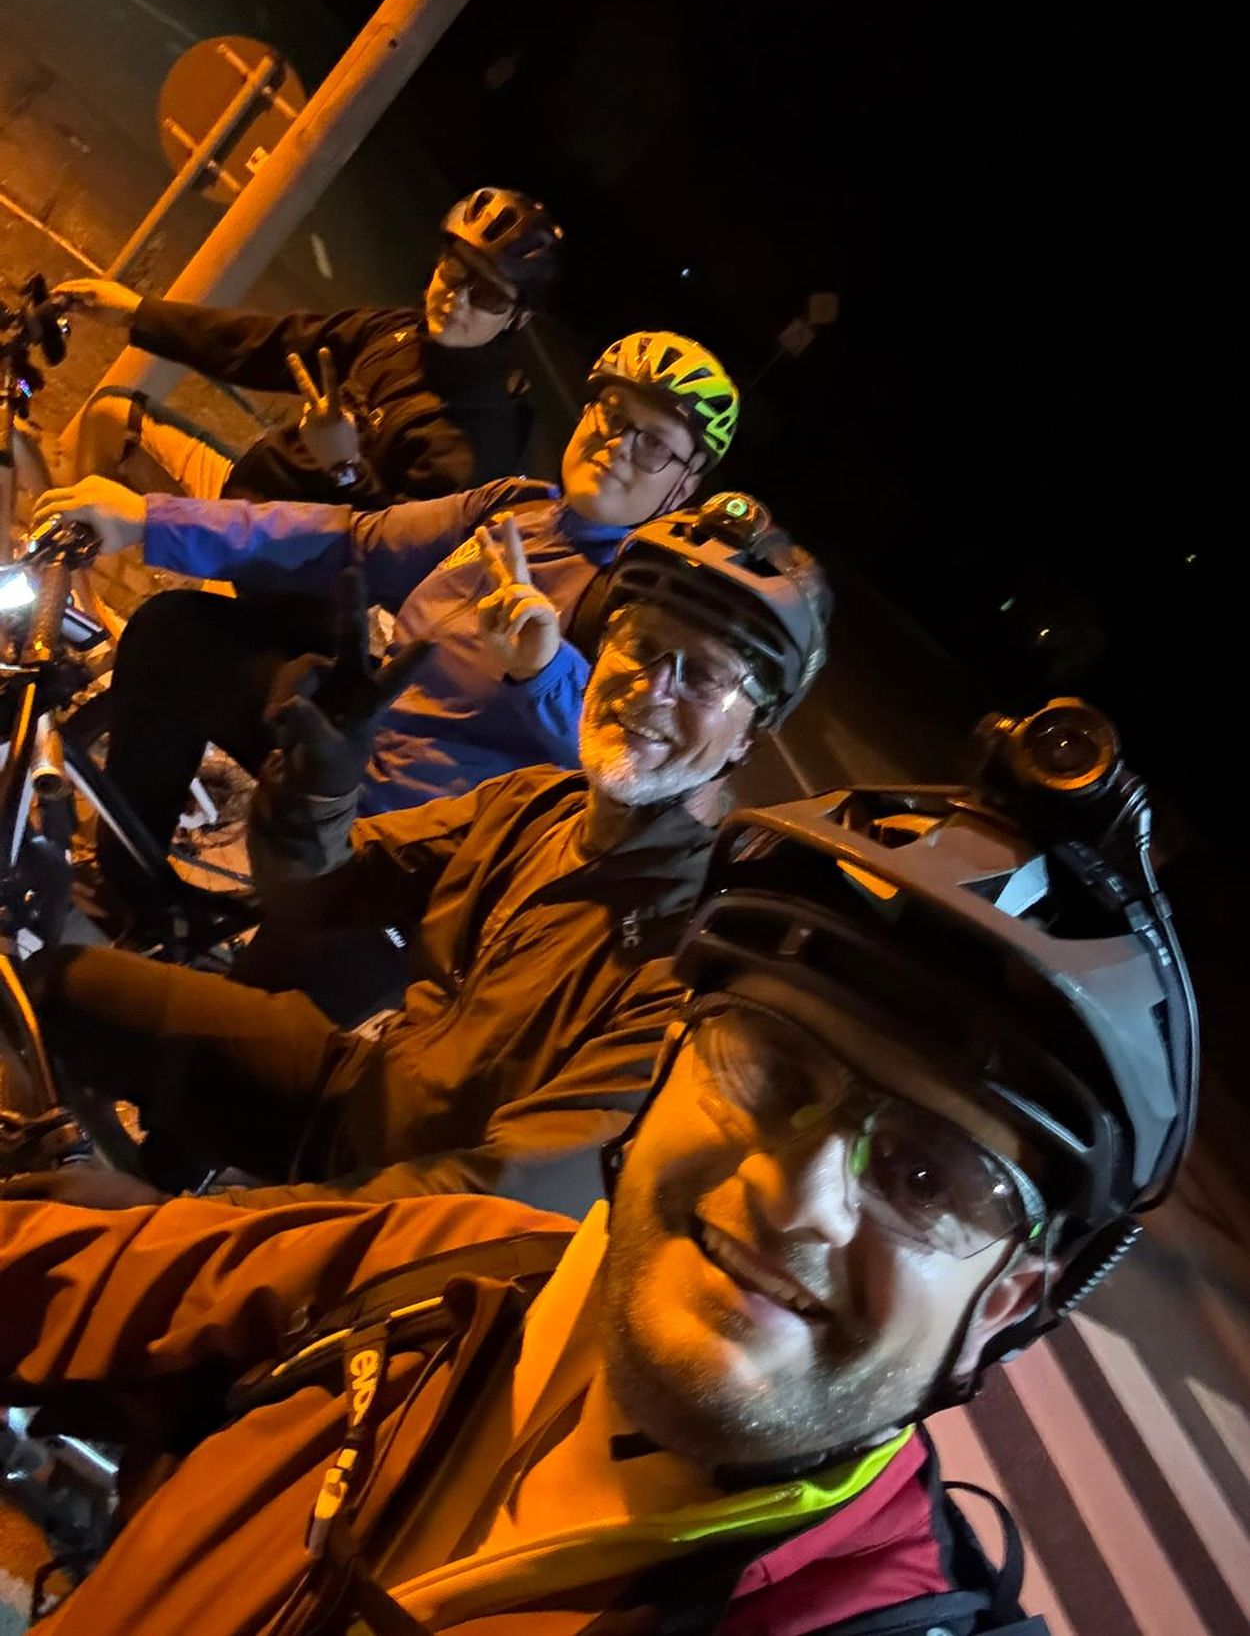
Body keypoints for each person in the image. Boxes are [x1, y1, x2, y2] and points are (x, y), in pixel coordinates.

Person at [0, 700, 1196, 1635]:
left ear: (1007, 1301)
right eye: (766, 1071)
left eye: (926, 1181)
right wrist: (321, 771)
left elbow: (513, 1160)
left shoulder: (848, 1612)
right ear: (669, 1078)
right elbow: (71, 1267)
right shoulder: (452, 1271)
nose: (797, 1195)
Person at [16, 492, 829, 1211]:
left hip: (417, 1232)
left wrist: (178, 1228)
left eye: (703, 677)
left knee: (144, 1242)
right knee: (49, 987)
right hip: (356, 1095)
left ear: (748, 736)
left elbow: (492, 1199)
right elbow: (312, 892)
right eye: (641, 645)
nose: (651, 686)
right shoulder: (532, 806)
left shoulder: (689, 956)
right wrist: (319, 785)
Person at [34, 329, 740, 925]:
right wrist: (148, 519)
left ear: (684, 486)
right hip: (352, 752)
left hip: (411, 844)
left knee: (256, 1008)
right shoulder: (514, 508)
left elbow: (622, 758)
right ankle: (132, 896)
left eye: (653, 444)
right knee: (178, 636)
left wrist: (544, 669)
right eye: (611, 413)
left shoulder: (636, 599)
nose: (617, 444)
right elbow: (351, 539)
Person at [58, 187, 564, 507]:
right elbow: (268, 344)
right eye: (455, 270)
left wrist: (345, 470)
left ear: (516, 318)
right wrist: (136, 312)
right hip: (241, 498)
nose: (458, 298)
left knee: (164, 632)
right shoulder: (395, 331)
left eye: (488, 295)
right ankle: (72, 607)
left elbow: (398, 558)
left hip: (285, 579)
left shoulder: (478, 437)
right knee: (109, 419)